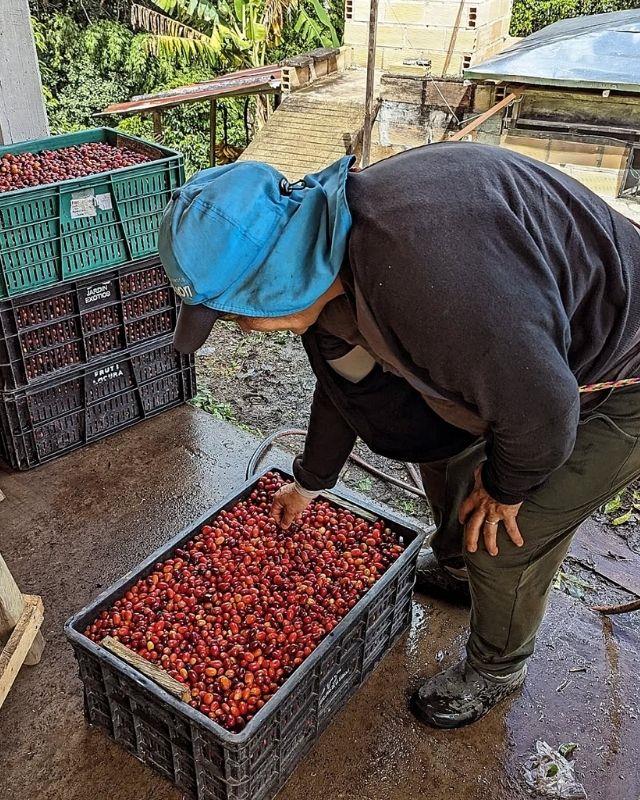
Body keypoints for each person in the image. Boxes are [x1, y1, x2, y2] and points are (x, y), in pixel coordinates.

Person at [158, 143, 640, 729]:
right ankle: (459, 570)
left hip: (618, 373)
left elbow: (547, 410)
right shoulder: (328, 266)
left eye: (234, 313)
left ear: (273, 280)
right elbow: (340, 392)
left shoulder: (427, 275)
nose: (240, 329)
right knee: (445, 451)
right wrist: (310, 484)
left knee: (507, 534)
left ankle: (496, 668)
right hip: (531, 363)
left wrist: (506, 486)